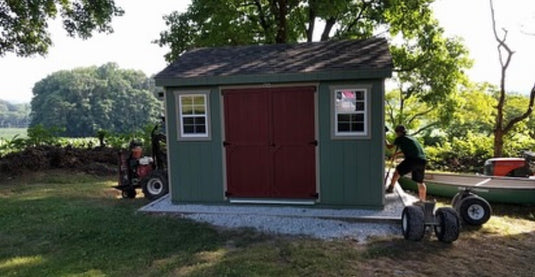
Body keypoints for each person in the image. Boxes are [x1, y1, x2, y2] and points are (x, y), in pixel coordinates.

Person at [386, 125, 427, 202]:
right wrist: (396, 154)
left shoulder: (400, 138)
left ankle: (391, 188)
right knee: (420, 182)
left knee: (397, 171)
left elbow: (389, 147)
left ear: (398, 132)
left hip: (412, 160)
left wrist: (384, 139)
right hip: (422, 160)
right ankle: (423, 201)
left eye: (396, 133)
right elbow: (408, 150)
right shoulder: (411, 138)